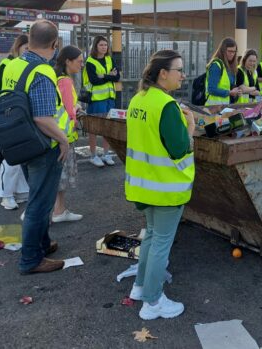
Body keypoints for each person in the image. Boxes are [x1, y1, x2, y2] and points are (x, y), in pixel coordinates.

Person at [125, 49, 195, 320]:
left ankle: (140, 287)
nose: (183, 75)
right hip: (165, 188)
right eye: (179, 70)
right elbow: (180, 149)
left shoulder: (138, 99)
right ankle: (152, 303)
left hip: (143, 185)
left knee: (152, 238)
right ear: (163, 73)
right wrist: (189, 126)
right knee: (160, 243)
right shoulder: (166, 105)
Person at [3, 19, 69, 274]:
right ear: (54, 44)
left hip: (20, 141)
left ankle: (42, 244)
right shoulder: (42, 71)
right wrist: (63, 140)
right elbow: (42, 117)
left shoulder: (13, 65)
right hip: (42, 145)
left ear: (29, 40)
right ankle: (31, 259)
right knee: (40, 203)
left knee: (38, 195)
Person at [0, 34, 30, 209]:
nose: (28, 51)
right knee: (11, 156)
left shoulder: (24, 65)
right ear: (18, 47)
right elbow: (2, 90)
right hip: (8, 113)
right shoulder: (6, 64)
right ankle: (6, 194)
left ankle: (20, 191)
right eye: (25, 48)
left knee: (22, 155)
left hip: (22, 114)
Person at [52, 45, 84, 223]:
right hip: (65, 135)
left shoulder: (56, 77)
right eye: (79, 61)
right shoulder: (65, 81)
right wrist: (77, 109)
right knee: (61, 177)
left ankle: (58, 210)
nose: (81, 64)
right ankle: (59, 210)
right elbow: (68, 109)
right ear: (68, 61)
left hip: (56, 133)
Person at [82, 35, 120, 167]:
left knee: (108, 127)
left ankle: (106, 154)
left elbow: (117, 77)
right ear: (95, 46)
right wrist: (110, 76)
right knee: (94, 128)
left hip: (110, 98)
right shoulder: (90, 62)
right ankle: (93, 155)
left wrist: (104, 76)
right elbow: (94, 80)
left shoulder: (109, 59)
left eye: (105, 45)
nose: (104, 47)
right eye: (101, 45)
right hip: (96, 99)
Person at [205, 37, 240, 105]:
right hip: (213, 108)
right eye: (230, 51)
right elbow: (211, 89)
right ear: (223, 50)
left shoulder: (231, 67)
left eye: (234, 51)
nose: (232, 54)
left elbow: (229, 87)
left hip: (224, 106)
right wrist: (229, 92)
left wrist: (236, 92)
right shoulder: (216, 65)